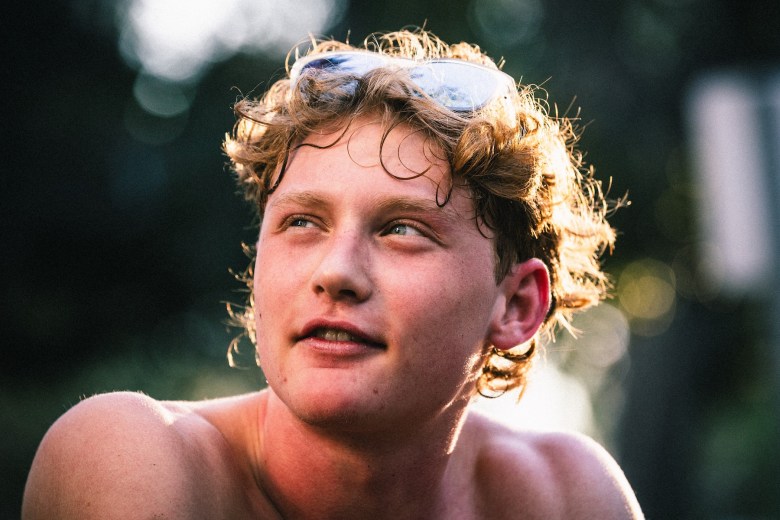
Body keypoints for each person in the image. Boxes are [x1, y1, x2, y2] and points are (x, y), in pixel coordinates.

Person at [22, 29, 643, 519]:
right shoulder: (134, 457)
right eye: (302, 223)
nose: (336, 272)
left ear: (515, 307)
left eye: (403, 230)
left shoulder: (568, 499)